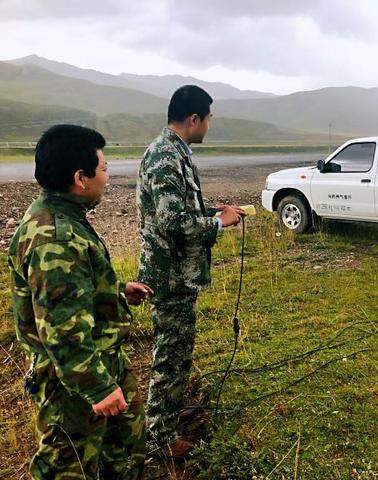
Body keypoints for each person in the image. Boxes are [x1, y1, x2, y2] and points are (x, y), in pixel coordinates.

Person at [7, 124, 151, 479]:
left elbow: (70, 292)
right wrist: (98, 387)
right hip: (73, 378)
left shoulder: (62, 214)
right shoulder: (56, 239)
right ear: (80, 178)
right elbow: (60, 327)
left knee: (125, 445)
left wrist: (114, 292)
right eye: (103, 169)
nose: (108, 175)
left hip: (98, 358)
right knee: (66, 464)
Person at [137, 85, 245, 455]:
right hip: (169, 275)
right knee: (170, 352)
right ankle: (159, 438)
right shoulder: (165, 156)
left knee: (179, 349)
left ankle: (167, 413)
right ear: (194, 119)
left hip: (178, 272)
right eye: (209, 118)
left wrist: (215, 212)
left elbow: (180, 208)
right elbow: (173, 222)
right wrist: (219, 225)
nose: (209, 125)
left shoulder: (175, 153)